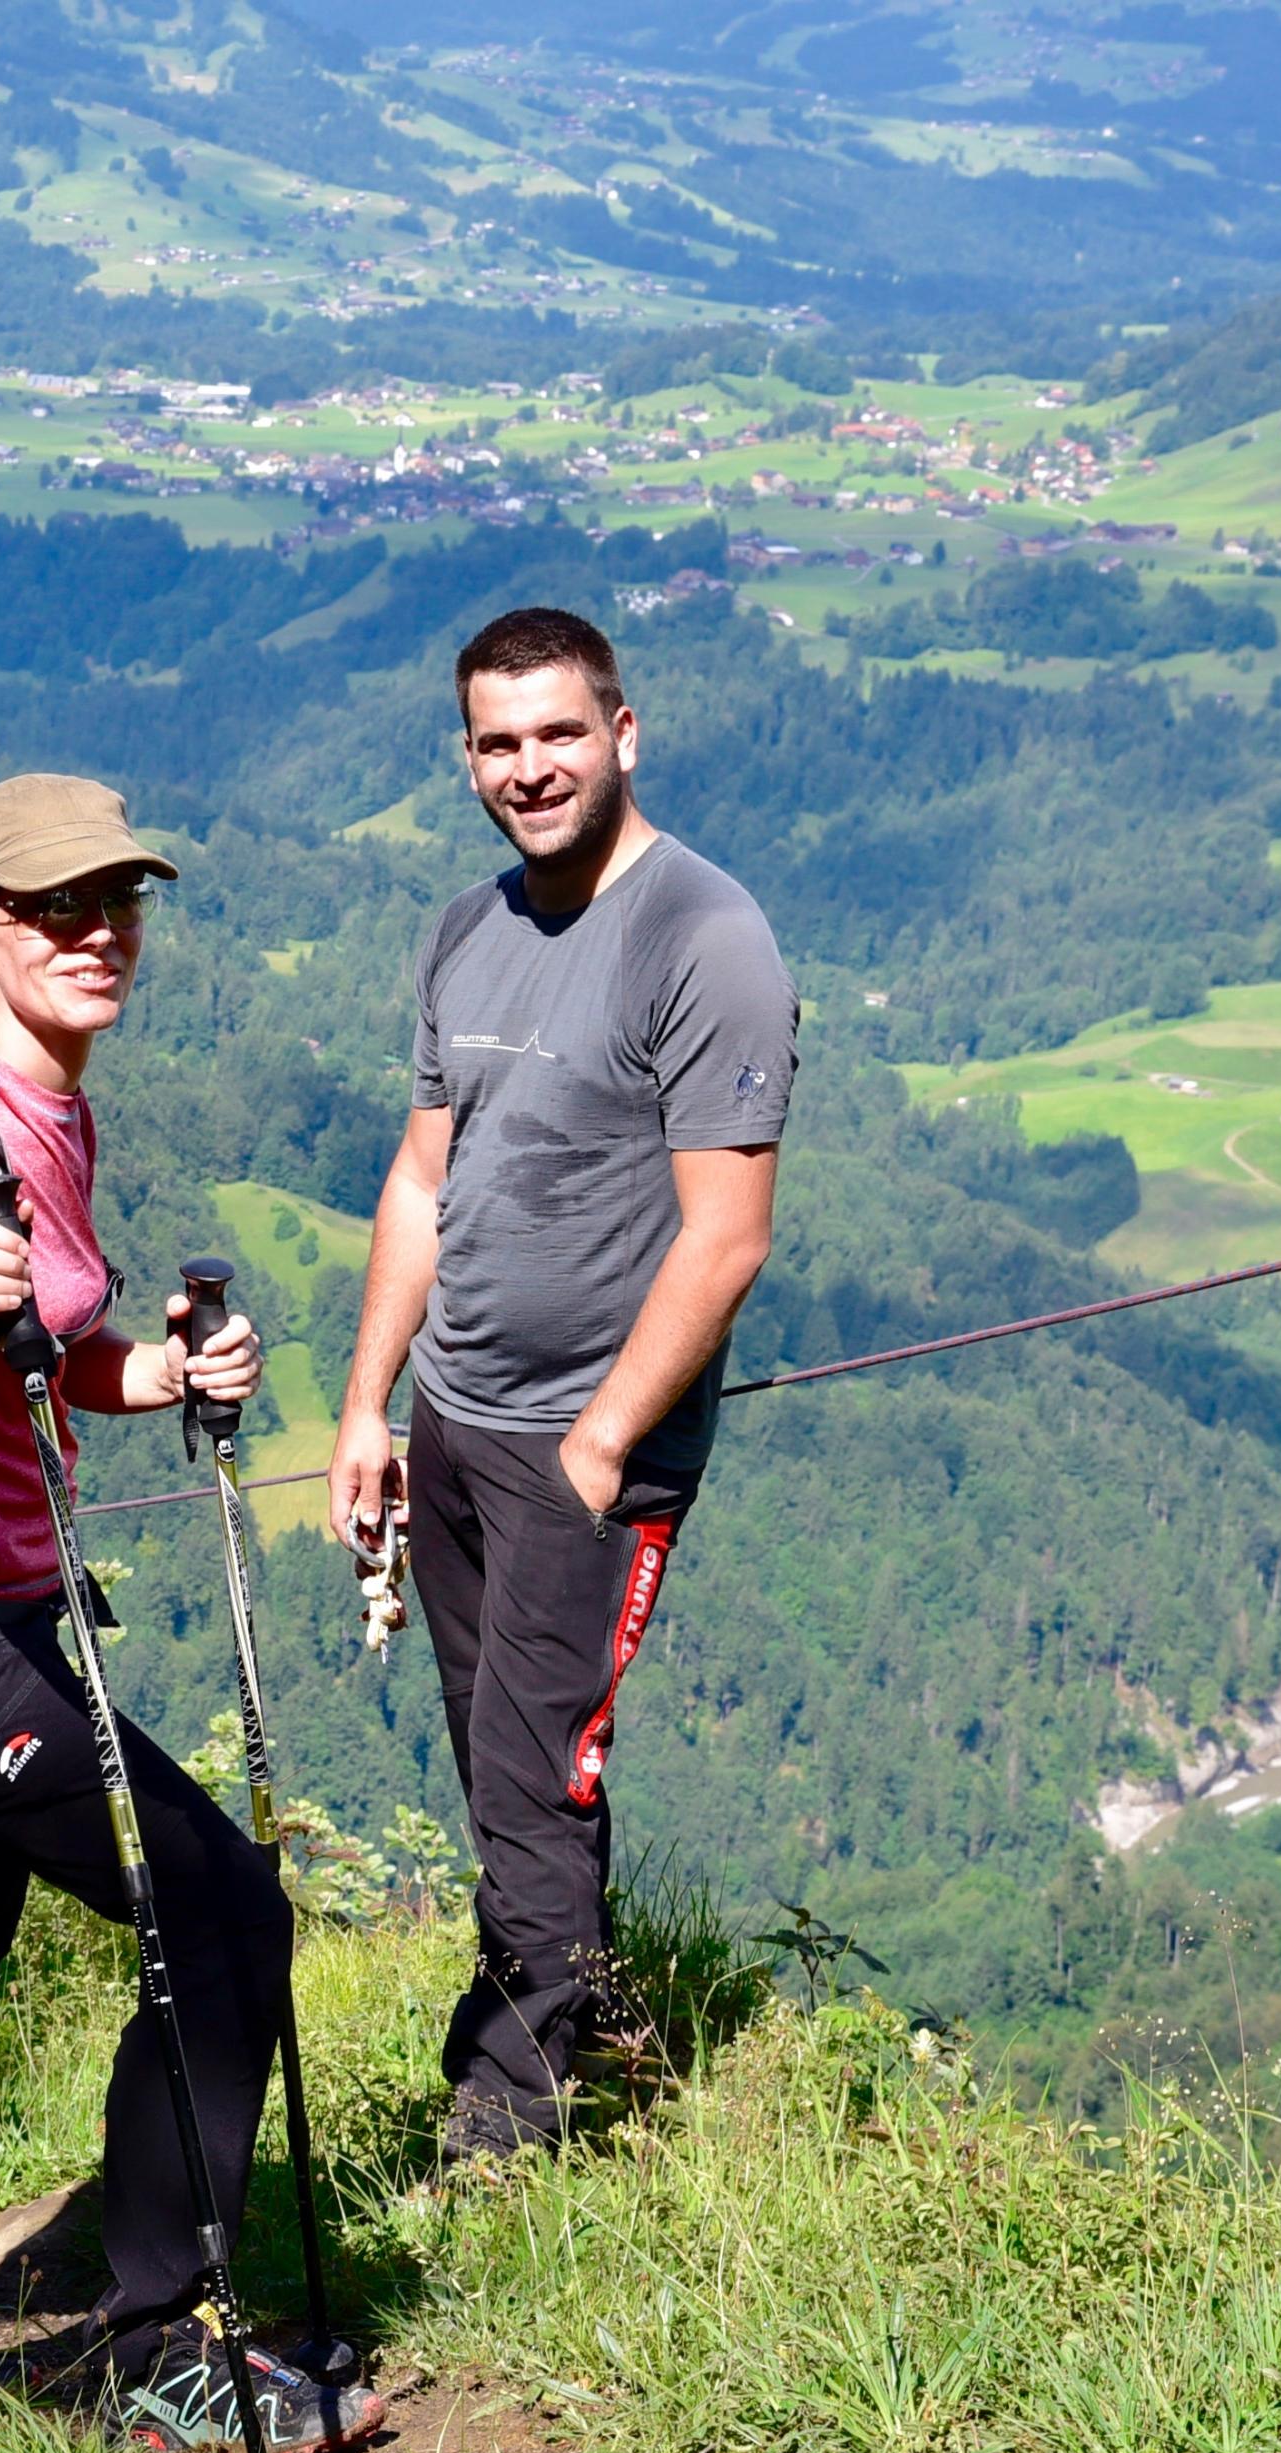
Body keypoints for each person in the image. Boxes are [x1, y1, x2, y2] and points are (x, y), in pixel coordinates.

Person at [0, 773, 370, 2453]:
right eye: (53, 908)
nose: (97, 931)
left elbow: (49, 1352)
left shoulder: (55, 1111)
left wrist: (165, 1371)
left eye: (116, 900)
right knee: (221, 1911)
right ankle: (164, 2338)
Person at [325, 607, 795, 2165]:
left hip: (591, 1446)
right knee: (500, 1762)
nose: (528, 768)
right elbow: (423, 1180)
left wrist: (600, 1446)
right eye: (497, 743)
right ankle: (592, 2026)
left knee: (536, 1774)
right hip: (458, 1417)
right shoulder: (468, 929)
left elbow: (726, 1238)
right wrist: (370, 1404)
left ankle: (508, 2129)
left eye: (558, 734)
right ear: (467, 757)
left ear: (623, 733)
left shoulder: (703, 936)